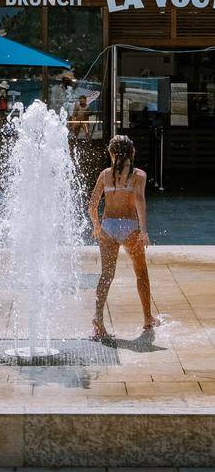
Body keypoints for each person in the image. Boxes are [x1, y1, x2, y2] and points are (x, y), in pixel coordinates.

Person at [88, 133, 158, 339]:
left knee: (106, 275)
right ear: (133, 153)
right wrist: (143, 231)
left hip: (108, 226)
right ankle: (147, 318)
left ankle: (98, 320)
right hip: (129, 227)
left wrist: (97, 226)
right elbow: (139, 201)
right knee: (141, 273)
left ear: (111, 153)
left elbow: (92, 205)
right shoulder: (139, 175)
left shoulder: (105, 174)